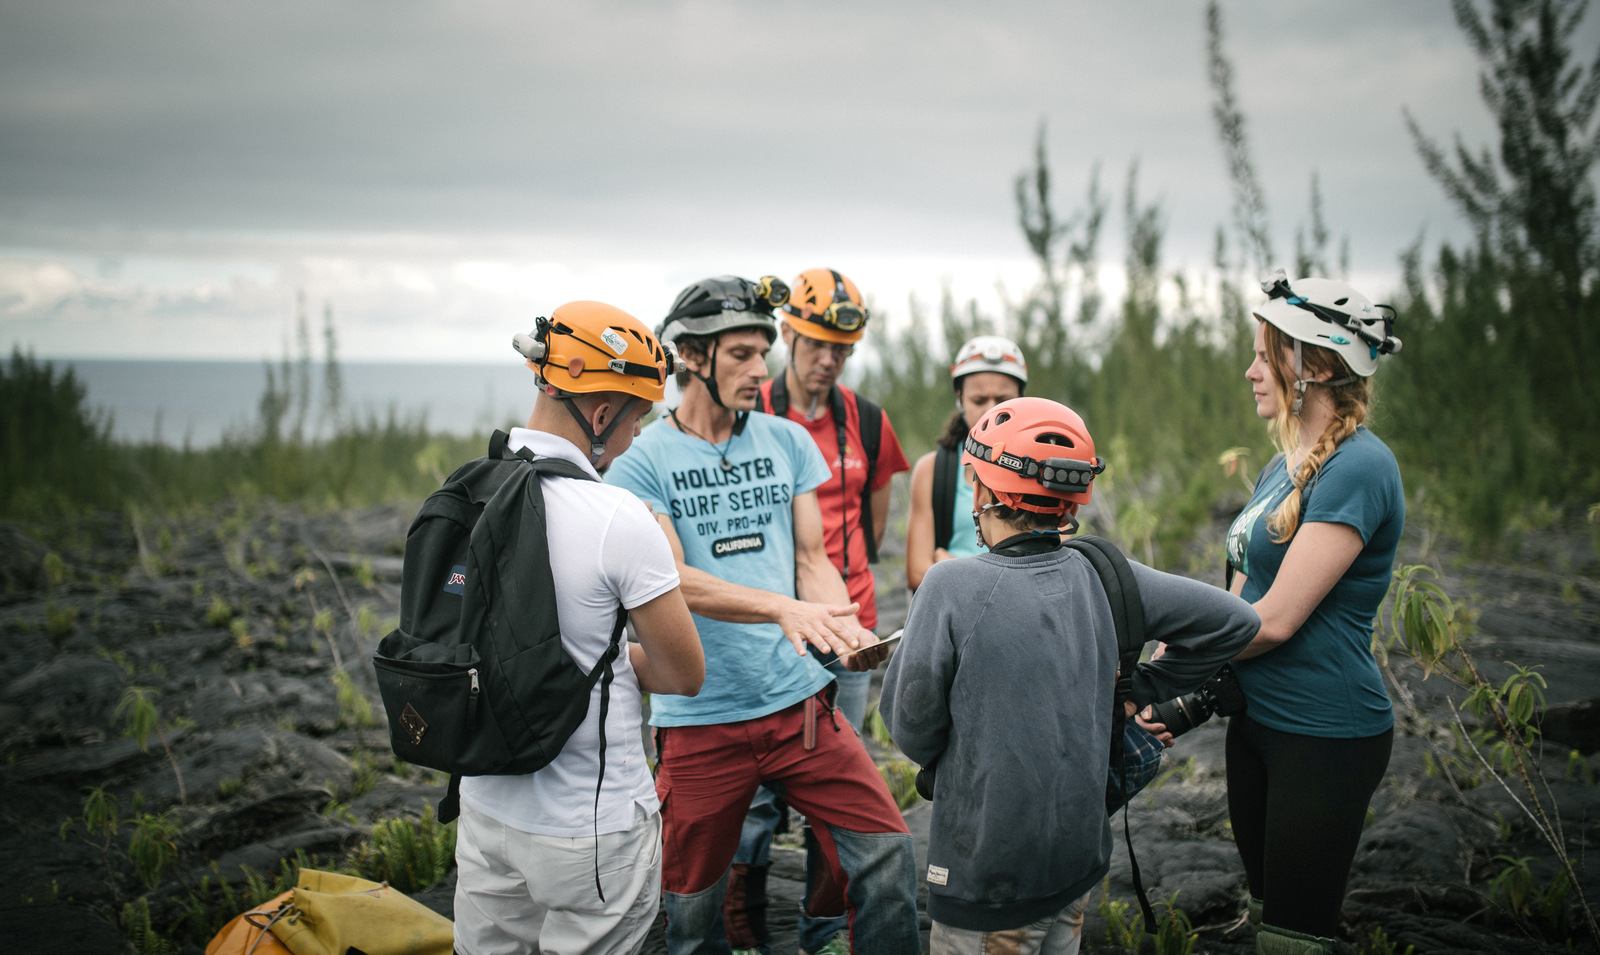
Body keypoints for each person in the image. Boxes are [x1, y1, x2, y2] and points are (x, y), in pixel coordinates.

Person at [605, 275, 921, 955]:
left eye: (762, 350)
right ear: (692, 356)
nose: (761, 368)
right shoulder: (643, 458)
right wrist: (782, 607)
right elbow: (669, 578)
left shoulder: (786, 442)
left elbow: (812, 556)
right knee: (689, 915)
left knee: (889, 852)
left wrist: (840, 623)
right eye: (742, 354)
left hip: (799, 707)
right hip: (700, 721)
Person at [881, 396, 1258, 955]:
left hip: (990, 879)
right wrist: (1136, 692)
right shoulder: (1106, 574)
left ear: (982, 493)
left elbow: (910, 729)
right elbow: (1236, 621)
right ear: (1073, 497)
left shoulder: (948, 586)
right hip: (1075, 863)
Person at [452, 301, 706, 955]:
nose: (634, 438)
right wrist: (613, 655)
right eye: (636, 419)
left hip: (484, 809)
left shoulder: (466, 490)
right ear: (601, 414)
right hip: (591, 829)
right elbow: (683, 672)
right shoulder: (618, 516)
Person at [1223, 273, 1404, 955]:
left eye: (1264, 355)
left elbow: (1274, 619)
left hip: (1324, 732)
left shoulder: (1360, 466)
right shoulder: (1286, 464)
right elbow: (1238, 595)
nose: (1251, 371)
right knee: (1265, 911)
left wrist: (1175, 650)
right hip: (1257, 723)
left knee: (1294, 940)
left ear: (1315, 365)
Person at [905, 335, 1027, 591]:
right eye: (979, 401)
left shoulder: (1039, 468)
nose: (992, 410)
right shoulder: (933, 470)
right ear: (960, 399)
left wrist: (953, 567)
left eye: (1003, 400)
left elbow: (1055, 555)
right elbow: (917, 572)